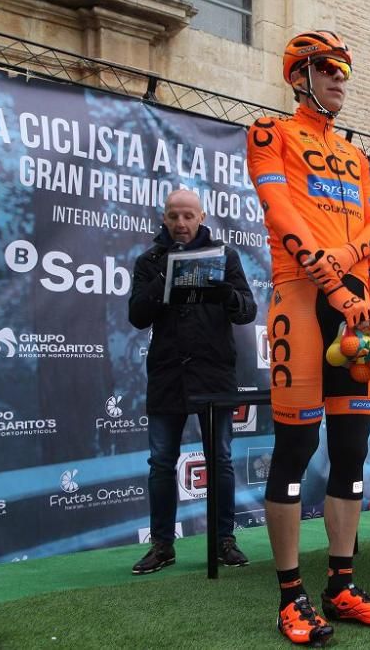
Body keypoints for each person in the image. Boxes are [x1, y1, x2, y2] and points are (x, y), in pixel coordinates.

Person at [247, 30, 370, 645]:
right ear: (299, 75)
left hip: (354, 305)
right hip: (303, 301)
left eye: (344, 69)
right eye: (328, 68)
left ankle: (339, 581)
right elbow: (279, 214)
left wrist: (344, 264)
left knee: (354, 448)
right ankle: (290, 595)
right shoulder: (269, 133)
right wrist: (333, 280)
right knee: (295, 449)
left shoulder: (356, 155)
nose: (341, 78)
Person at [128, 189, 257, 575]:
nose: (181, 224)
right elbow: (136, 316)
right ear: (164, 218)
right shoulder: (148, 260)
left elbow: (247, 311)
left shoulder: (225, 256)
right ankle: (162, 546)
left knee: (220, 459)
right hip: (167, 374)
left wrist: (226, 294)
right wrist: (165, 278)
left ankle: (223, 541)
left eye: (188, 216)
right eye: (173, 216)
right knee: (161, 463)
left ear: (201, 217)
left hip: (213, 373)